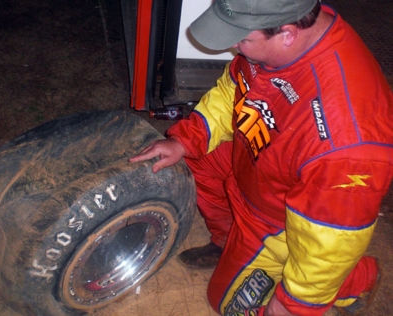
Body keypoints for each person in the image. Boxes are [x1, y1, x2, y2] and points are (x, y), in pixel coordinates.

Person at [130, 0, 393, 315]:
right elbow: (234, 89)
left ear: (287, 34)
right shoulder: (277, 35)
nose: (232, 46)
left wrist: (291, 304)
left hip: (283, 216)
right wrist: (189, 139)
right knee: (192, 157)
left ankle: (355, 279)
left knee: (230, 305)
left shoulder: (349, 145)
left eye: (241, 38)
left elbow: (328, 244)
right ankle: (229, 242)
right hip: (262, 159)